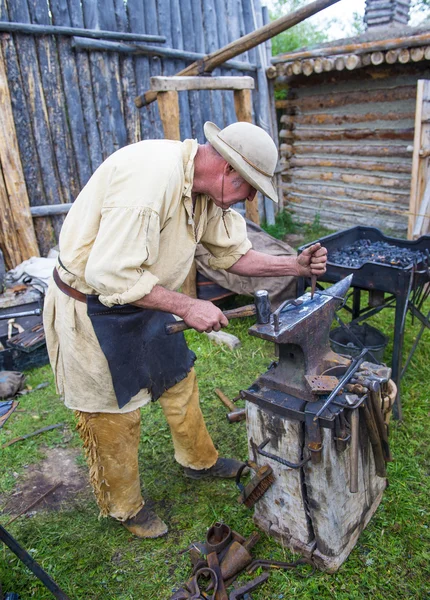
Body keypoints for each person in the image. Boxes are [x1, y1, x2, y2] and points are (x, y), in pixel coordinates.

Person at [44, 121, 327, 539]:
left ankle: (199, 461)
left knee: (179, 380)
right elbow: (110, 276)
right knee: (112, 416)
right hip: (92, 306)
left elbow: (234, 255)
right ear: (229, 170)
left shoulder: (208, 194)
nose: (250, 199)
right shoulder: (148, 183)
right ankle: (127, 508)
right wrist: (186, 304)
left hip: (147, 294)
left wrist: (293, 266)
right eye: (250, 188)